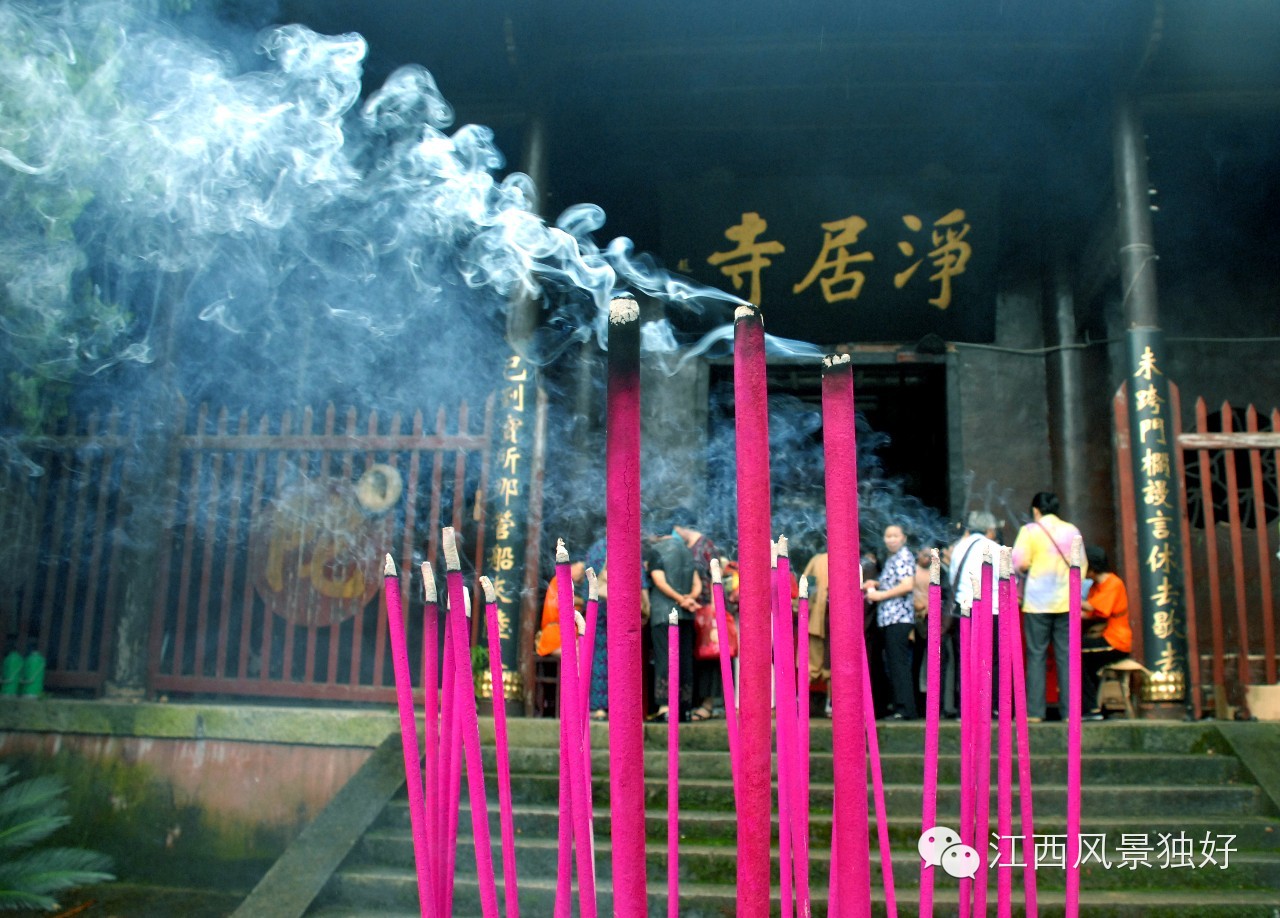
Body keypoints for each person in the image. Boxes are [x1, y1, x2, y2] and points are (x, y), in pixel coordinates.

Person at [1011, 491, 1082, 722]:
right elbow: (1081, 565)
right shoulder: (1072, 530)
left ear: (1036, 510)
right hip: (1066, 600)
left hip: (1038, 602)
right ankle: (1070, 712)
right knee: (1067, 655)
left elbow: (1019, 563)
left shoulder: (1030, 531)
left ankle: (1035, 712)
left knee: (1036, 655)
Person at [947, 514, 1004, 716]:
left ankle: (966, 706)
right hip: (992, 609)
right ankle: (993, 705)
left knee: (966, 659)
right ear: (990, 530)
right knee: (992, 659)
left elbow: (952, 578)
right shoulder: (996, 549)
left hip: (964, 608)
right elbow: (1008, 580)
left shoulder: (958, 548)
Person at [645, 522, 701, 722]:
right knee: (684, 660)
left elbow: (659, 581)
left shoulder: (656, 551)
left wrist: (678, 599)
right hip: (686, 614)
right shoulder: (686, 551)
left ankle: (666, 707)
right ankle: (684, 708)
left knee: (665, 658)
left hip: (664, 613)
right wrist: (688, 599)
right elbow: (697, 583)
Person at [864, 523, 918, 720]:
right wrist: (877, 583)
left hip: (898, 617)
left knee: (898, 664)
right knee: (893, 663)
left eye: (895, 536)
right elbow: (895, 581)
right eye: (888, 536)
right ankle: (898, 706)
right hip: (889, 618)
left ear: (904, 538)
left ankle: (905, 709)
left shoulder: (904, 556)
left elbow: (907, 585)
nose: (891, 539)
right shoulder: (893, 558)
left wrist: (880, 595)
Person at [673, 510, 723, 721]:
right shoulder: (684, 547)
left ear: (683, 526)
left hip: (706, 607)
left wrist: (715, 607)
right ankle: (692, 702)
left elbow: (716, 576)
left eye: (676, 529)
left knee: (708, 654)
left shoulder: (706, 546)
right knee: (693, 655)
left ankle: (707, 704)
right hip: (689, 608)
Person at [1080, 545, 1131, 720]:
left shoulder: (1113, 583)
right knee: (1083, 660)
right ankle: (1094, 706)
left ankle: (1090, 707)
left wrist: (1067, 597)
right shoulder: (1096, 586)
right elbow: (1090, 613)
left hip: (1116, 641)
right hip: (1106, 636)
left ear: (1092, 568)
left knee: (1074, 654)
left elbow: (1094, 607)